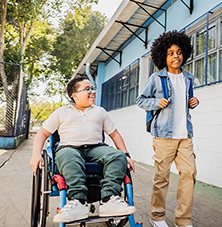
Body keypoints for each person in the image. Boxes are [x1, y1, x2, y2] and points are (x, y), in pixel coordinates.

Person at [30, 76, 136, 223]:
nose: (92, 91)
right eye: (87, 89)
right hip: (69, 148)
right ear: (75, 95)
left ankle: (109, 200)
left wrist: (126, 154)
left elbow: (115, 134)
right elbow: (42, 133)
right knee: (69, 157)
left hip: (96, 148)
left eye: (92, 88)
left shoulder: (100, 112)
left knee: (117, 156)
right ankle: (78, 202)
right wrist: (36, 155)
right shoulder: (62, 112)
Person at [136, 30, 199, 227]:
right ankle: (157, 217)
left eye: (179, 52)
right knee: (161, 178)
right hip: (163, 136)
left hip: (185, 136)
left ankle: (183, 219)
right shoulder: (157, 78)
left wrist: (194, 102)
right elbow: (141, 100)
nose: (176, 56)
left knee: (189, 173)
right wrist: (157, 102)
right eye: (171, 53)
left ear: (184, 54)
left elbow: (186, 103)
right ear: (164, 55)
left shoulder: (188, 78)